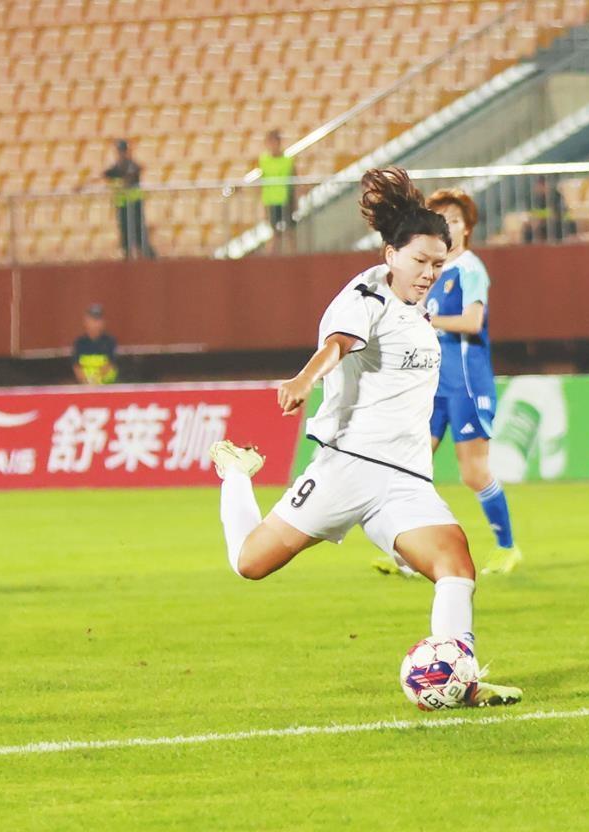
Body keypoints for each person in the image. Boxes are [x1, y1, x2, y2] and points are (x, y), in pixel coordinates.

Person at [207, 167, 521, 707]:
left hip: (405, 479)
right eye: (419, 261)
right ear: (391, 254)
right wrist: (305, 379)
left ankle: (460, 676)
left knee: (456, 565)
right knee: (251, 564)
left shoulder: (419, 309)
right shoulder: (365, 296)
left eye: (438, 264)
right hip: (348, 467)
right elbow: (338, 344)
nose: (429, 273)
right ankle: (235, 473)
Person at [403, 188, 523, 576]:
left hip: (466, 385)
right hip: (432, 386)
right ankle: (407, 554)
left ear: (467, 228)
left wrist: (426, 320)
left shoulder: (470, 269)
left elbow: (473, 322)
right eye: (442, 221)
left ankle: (506, 547)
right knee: (410, 468)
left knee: (473, 473)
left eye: (455, 221)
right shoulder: (430, 273)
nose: (448, 227)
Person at [102, 139, 154, 259]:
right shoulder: (116, 166)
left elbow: (136, 172)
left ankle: (145, 250)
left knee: (138, 225)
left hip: (134, 201)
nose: (120, 153)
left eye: (122, 150)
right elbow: (104, 174)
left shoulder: (131, 164)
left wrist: (123, 181)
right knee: (124, 227)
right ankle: (127, 251)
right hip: (122, 202)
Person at [258, 130, 296, 252]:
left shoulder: (287, 160)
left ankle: (293, 255)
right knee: (275, 232)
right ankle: (272, 257)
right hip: (271, 200)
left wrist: (294, 200)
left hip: (285, 199)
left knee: (289, 230)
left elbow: (294, 180)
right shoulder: (264, 160)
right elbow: (262, 181)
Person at [72, 304, 118, 385]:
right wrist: (86, 382)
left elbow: (111, 364)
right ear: (86, 322)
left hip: (107, 387)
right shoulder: (79, 343)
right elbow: (76, 367)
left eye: (98, 320)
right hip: (85, 387)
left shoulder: (110, 341)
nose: (95, 324)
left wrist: (95, 380)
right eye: (92, 320)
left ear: (103, 322)